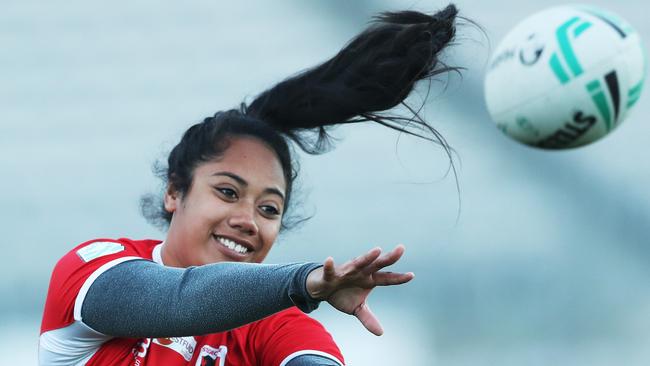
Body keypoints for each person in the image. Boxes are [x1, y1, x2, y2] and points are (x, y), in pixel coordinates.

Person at [39, 5, 459, 366]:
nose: (248, 221)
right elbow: (176, 301)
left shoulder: (276, 322)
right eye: (227, 192)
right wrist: (304, 281)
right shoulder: (93, 267)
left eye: (269, 208)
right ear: (174, 192)